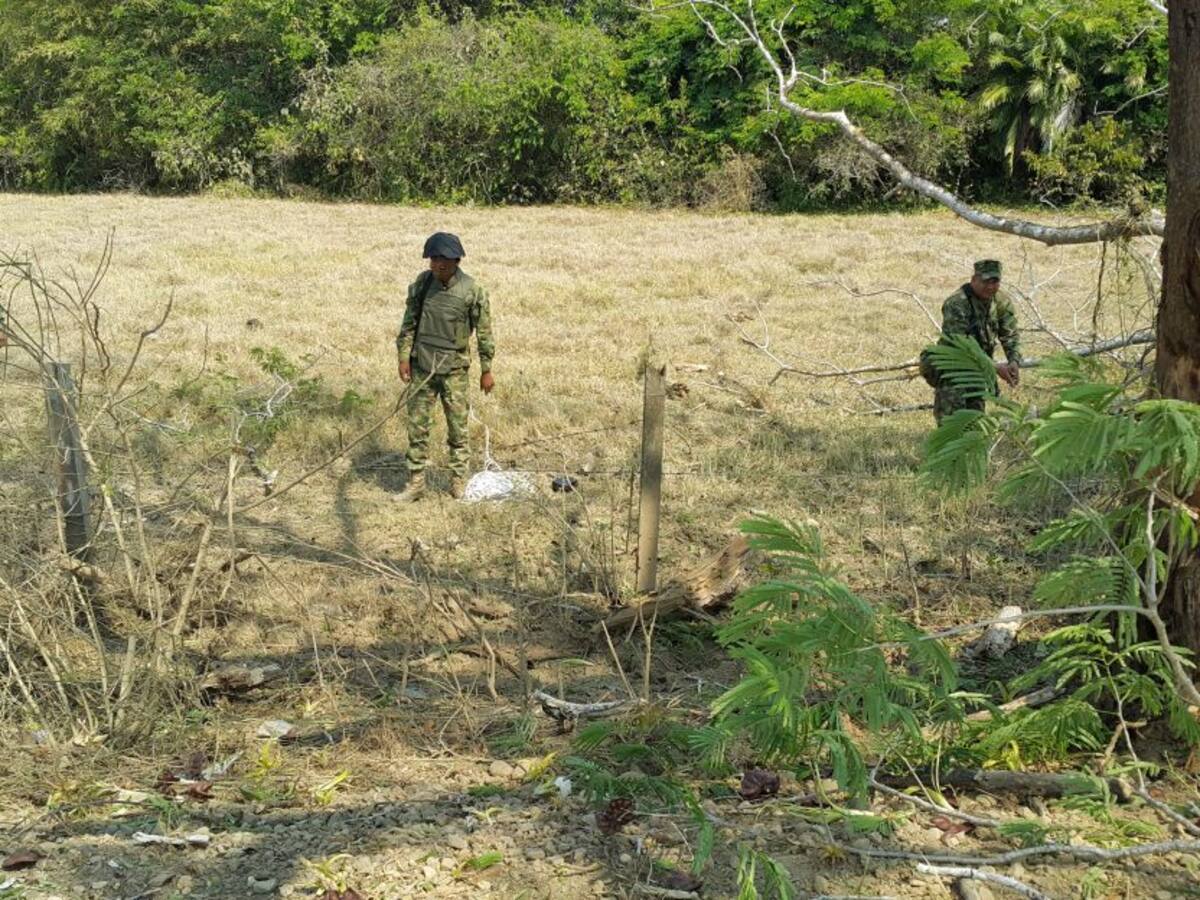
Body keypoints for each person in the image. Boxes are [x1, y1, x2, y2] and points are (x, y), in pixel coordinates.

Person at [393, 232, 495, 502]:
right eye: (433, 259)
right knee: (417, 428)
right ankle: (415, 482)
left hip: (454, 371)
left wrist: (487, 369)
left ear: (456, 261)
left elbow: (484, 332)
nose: (438, 265)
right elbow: (409, 324)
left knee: (458, 430)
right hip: (423, 368)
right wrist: (404, 357)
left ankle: (458, 482)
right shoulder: (423, 284)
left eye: (444, 260)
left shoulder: (472, 291)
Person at [923, 259, 1021, 423]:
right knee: (952, 424)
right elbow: (959, 344)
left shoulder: (1001, 301)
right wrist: (994, 367)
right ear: (974, 279)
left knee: (975, 422)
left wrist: (1014, 360)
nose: (990, 287)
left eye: (995, 281)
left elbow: (1009, 334)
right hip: (953, 369)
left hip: (978, 371)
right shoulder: (957, 303)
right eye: (985, 281)